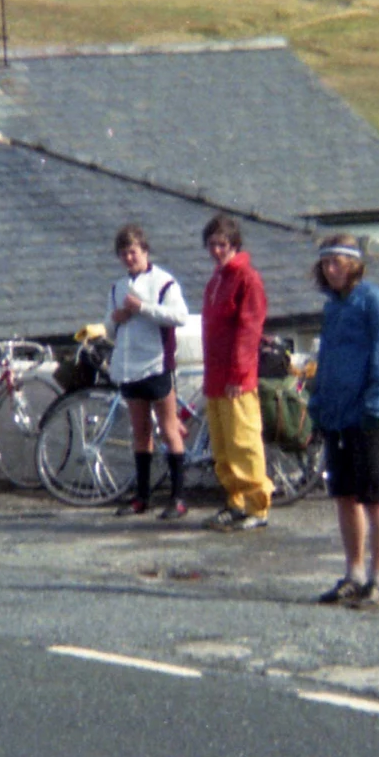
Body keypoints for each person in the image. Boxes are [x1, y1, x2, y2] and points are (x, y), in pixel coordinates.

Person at [308, 235, 379, 607]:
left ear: (354, 265)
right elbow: (327, 361)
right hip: (337, 415)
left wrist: (373, 404)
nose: (331, 269)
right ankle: (354, 573)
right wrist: (318, 404)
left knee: (374, 499)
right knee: (344, 497)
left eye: (338, 262)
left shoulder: (374, 301)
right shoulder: (333, 308)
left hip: (370, 415)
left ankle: (378, 580)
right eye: (326, 263)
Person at [105, 224, 193, 519]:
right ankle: (142, 497)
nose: (129, 258)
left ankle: (178, 498)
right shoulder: (117, 287)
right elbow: (109, 329)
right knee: (140, 432)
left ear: (144, 251)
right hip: (129, 367)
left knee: (169, 429)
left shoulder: (164, 282)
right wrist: (116, 319)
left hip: (156, 363)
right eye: (124, 254)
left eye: (133, 252)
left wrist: (142, 308)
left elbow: (179, 317)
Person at [198, 214, 272, 529]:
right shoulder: (217, 279)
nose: (217, 250)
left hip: (235, 379)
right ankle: (235, 500)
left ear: (234, 244)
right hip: (215, 377)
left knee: (243, 443)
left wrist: (238, 375)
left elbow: (249, 329)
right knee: (223, 446)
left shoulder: (247, 278)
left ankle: (258, 506)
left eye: (222, 244)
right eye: (212, 244)